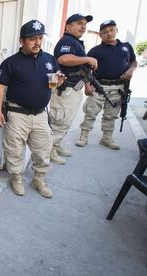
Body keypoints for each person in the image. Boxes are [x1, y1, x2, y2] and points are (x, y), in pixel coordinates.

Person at [0, 20, 64, 198]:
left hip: (40, 113)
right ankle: (16, 178)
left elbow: (52, 84)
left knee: (43, 149)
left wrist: (58, 82)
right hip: (17, 114)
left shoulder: (49, 60)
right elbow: (0, 87)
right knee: (14, 150)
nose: (37, 42)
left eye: (40, 38)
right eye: (32, 39)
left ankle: (39, 179)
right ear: (22, 41)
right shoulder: (10, 63)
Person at [75, 20, 137, 150]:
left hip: (118, 88)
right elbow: (84, 69)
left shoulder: (126, 46)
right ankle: (84, 136)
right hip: (99, 86)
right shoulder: (96, 50)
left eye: (111, 30)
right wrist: (87, 85)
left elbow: (133, 61)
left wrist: (131, 70)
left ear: (116, 30)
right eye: (105, 32)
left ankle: (106, 138)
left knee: (111, 115)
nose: (109, 33)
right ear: (100, 35)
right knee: (90, 113)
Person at [49, 13, 97, 165]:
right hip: (65, 89)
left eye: (85, 24)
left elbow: (81, 68)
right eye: (79, 23)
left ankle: (56, 146)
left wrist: (87, 84)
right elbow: (63, 59)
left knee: (66, 121)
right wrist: (88, 58)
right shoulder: (67, 41)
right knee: (60, 121)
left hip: (73, 90)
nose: (83, 26)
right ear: (68, 26)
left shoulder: (76, 42)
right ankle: (50, 150)